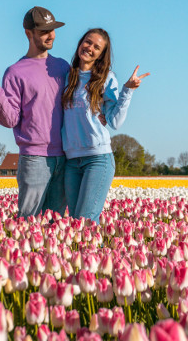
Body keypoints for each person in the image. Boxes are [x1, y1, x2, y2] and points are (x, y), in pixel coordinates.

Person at [0, 6, 70, 219]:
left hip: (65, 157)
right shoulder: (16, 72)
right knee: (29, 223)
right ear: (28, 33)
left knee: (57, 226)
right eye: (44, 31)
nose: (51, 35)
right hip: (34, 159)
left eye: (52, 30)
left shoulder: (64, 67)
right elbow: (10, 120)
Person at [61, 28, 150, 223]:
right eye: (88, 42)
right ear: (80, 43)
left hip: (97, 159)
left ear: (101, 55)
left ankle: (97, 254)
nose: (90, 48)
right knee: (75, 224)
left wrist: (128, 90)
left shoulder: (106, 78)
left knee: (86, 222)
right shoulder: (68, 77)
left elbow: (115, 122)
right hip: (71, 161)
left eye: (96, 47)